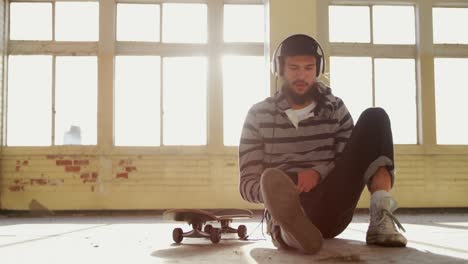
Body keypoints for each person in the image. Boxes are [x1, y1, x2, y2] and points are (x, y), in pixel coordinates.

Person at [238, 34, 407, 254]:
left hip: (332, 204)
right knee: (276, 185)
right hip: (288, 206)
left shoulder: (335, 109)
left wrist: (317, 173)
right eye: (294, 68)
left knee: (375, 117)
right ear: (280, 69)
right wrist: (283, 188)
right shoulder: (258, 115)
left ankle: (381, 216)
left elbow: (347, 160)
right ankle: (287, 229)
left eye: (309, 68)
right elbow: (246, 184)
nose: (301, 76)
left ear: (318, 70)